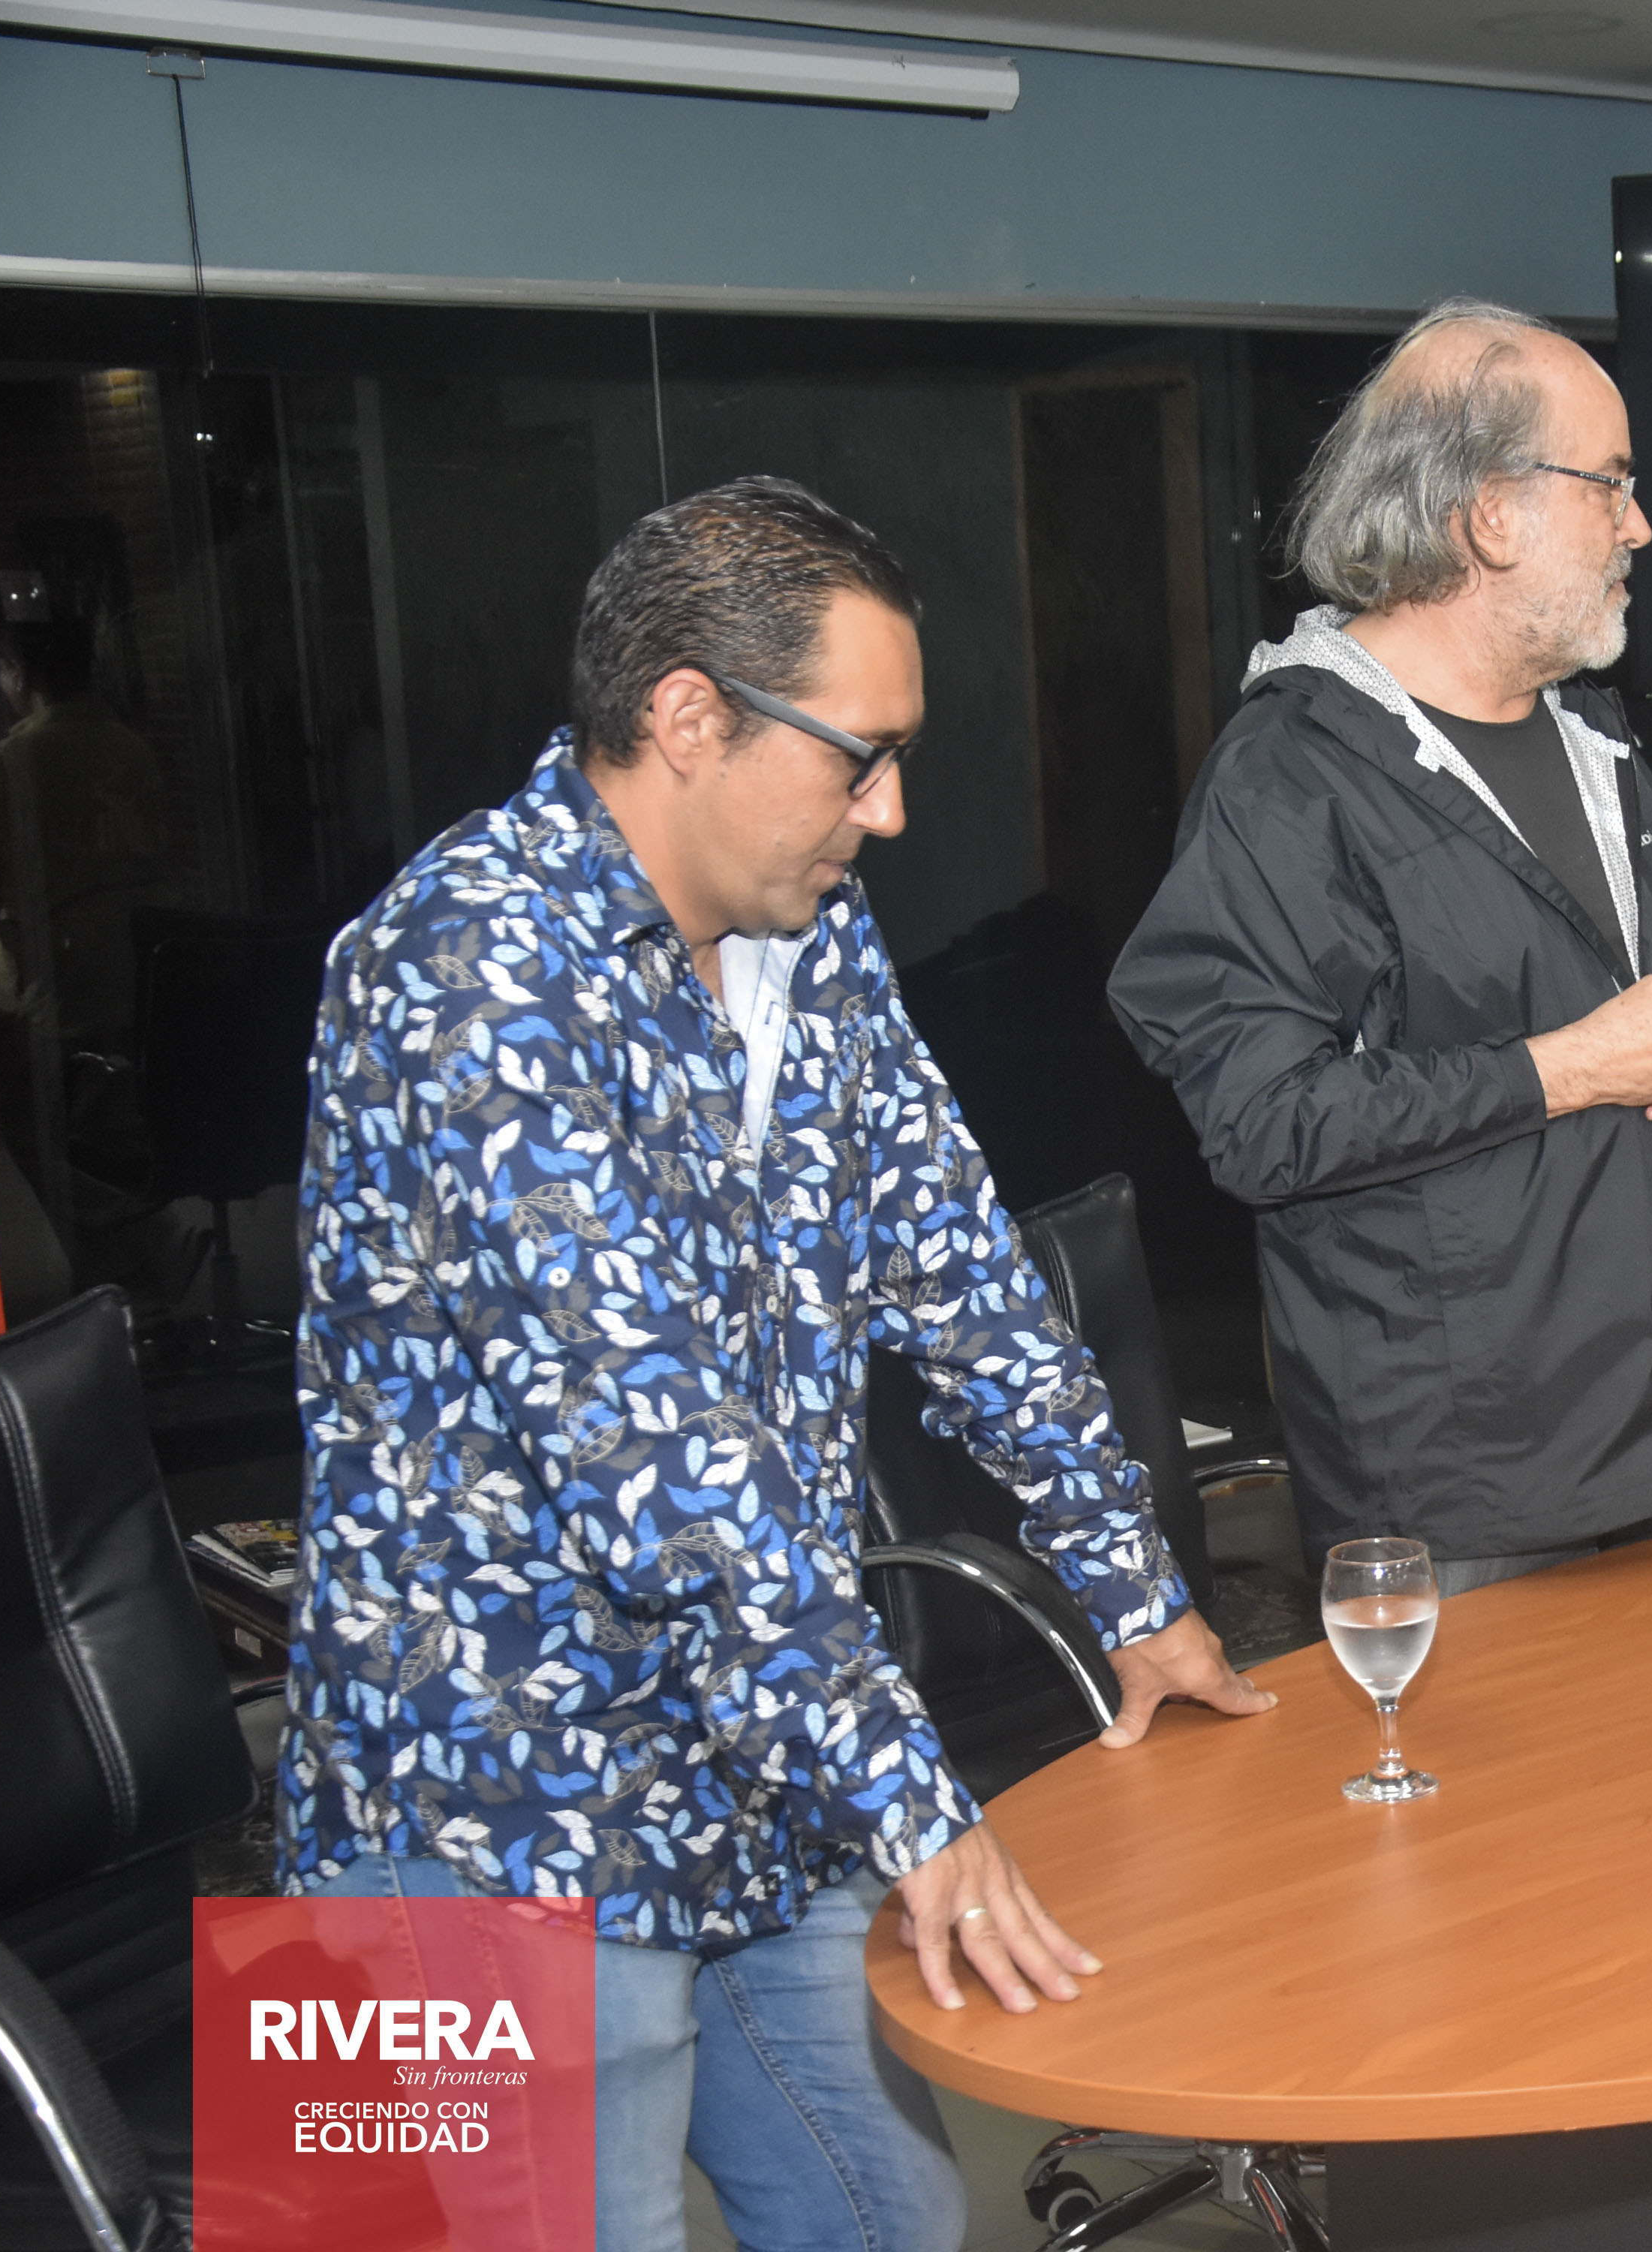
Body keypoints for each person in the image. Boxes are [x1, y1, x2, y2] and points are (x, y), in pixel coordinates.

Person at [276, 477, 1274, 2252]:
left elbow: (960, 1269)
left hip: (755, 1761)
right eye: (859, 757)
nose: (890, 812)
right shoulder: (458, 968)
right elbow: (663, 1471)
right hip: (477, 1813)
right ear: (689, 716)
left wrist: (1139, 1594)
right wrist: (913, 1800)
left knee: (894, 2217)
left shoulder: (811, 937)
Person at [1108, 299, 1652, 1595]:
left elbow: (1614, 1021)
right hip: (1465, 1501)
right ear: (1491, 515)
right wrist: (1578, 1067)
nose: (1640, 526)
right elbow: (1262, 1122)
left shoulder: (1599, 741)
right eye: (1610, 484)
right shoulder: (1292, 779)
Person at [0, 607, 162, 1049]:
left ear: (18, 674)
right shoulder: (132, 748)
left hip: (53, 1000)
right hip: (136, 980)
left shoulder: (11, 760)